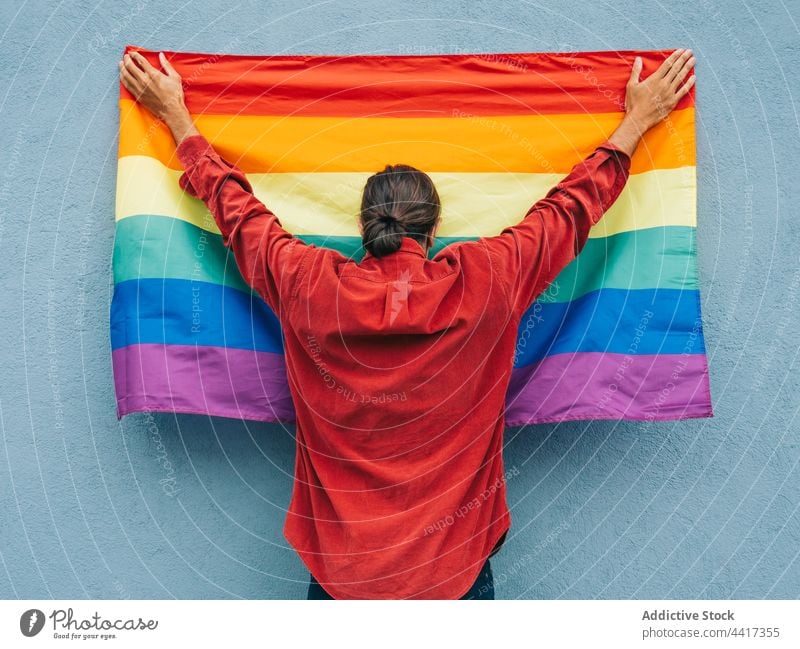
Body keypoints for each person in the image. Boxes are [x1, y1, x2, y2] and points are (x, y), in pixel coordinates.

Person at [119, 48, 695, 599]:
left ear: (362, 226)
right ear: (435, 228)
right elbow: (567, 211)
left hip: (342, 580)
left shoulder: (308, 283)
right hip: (455, 576)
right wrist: (637, 122)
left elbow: (239, 215)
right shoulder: (488, 279)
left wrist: (175, 116)